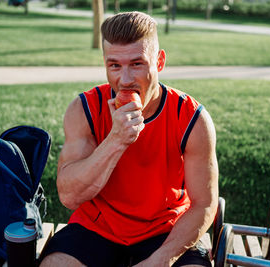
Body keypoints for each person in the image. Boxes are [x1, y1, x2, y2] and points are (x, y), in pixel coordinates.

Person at [39, 11, 219, 267]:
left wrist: (160, 261)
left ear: (159, 61)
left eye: (137, 64)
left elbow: (204, 204)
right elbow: (69, 196)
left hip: (165, 231)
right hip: (96, 228)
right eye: (114, 65)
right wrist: (116, 140)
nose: (124, 81)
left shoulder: (191, 118)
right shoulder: (84, 109)